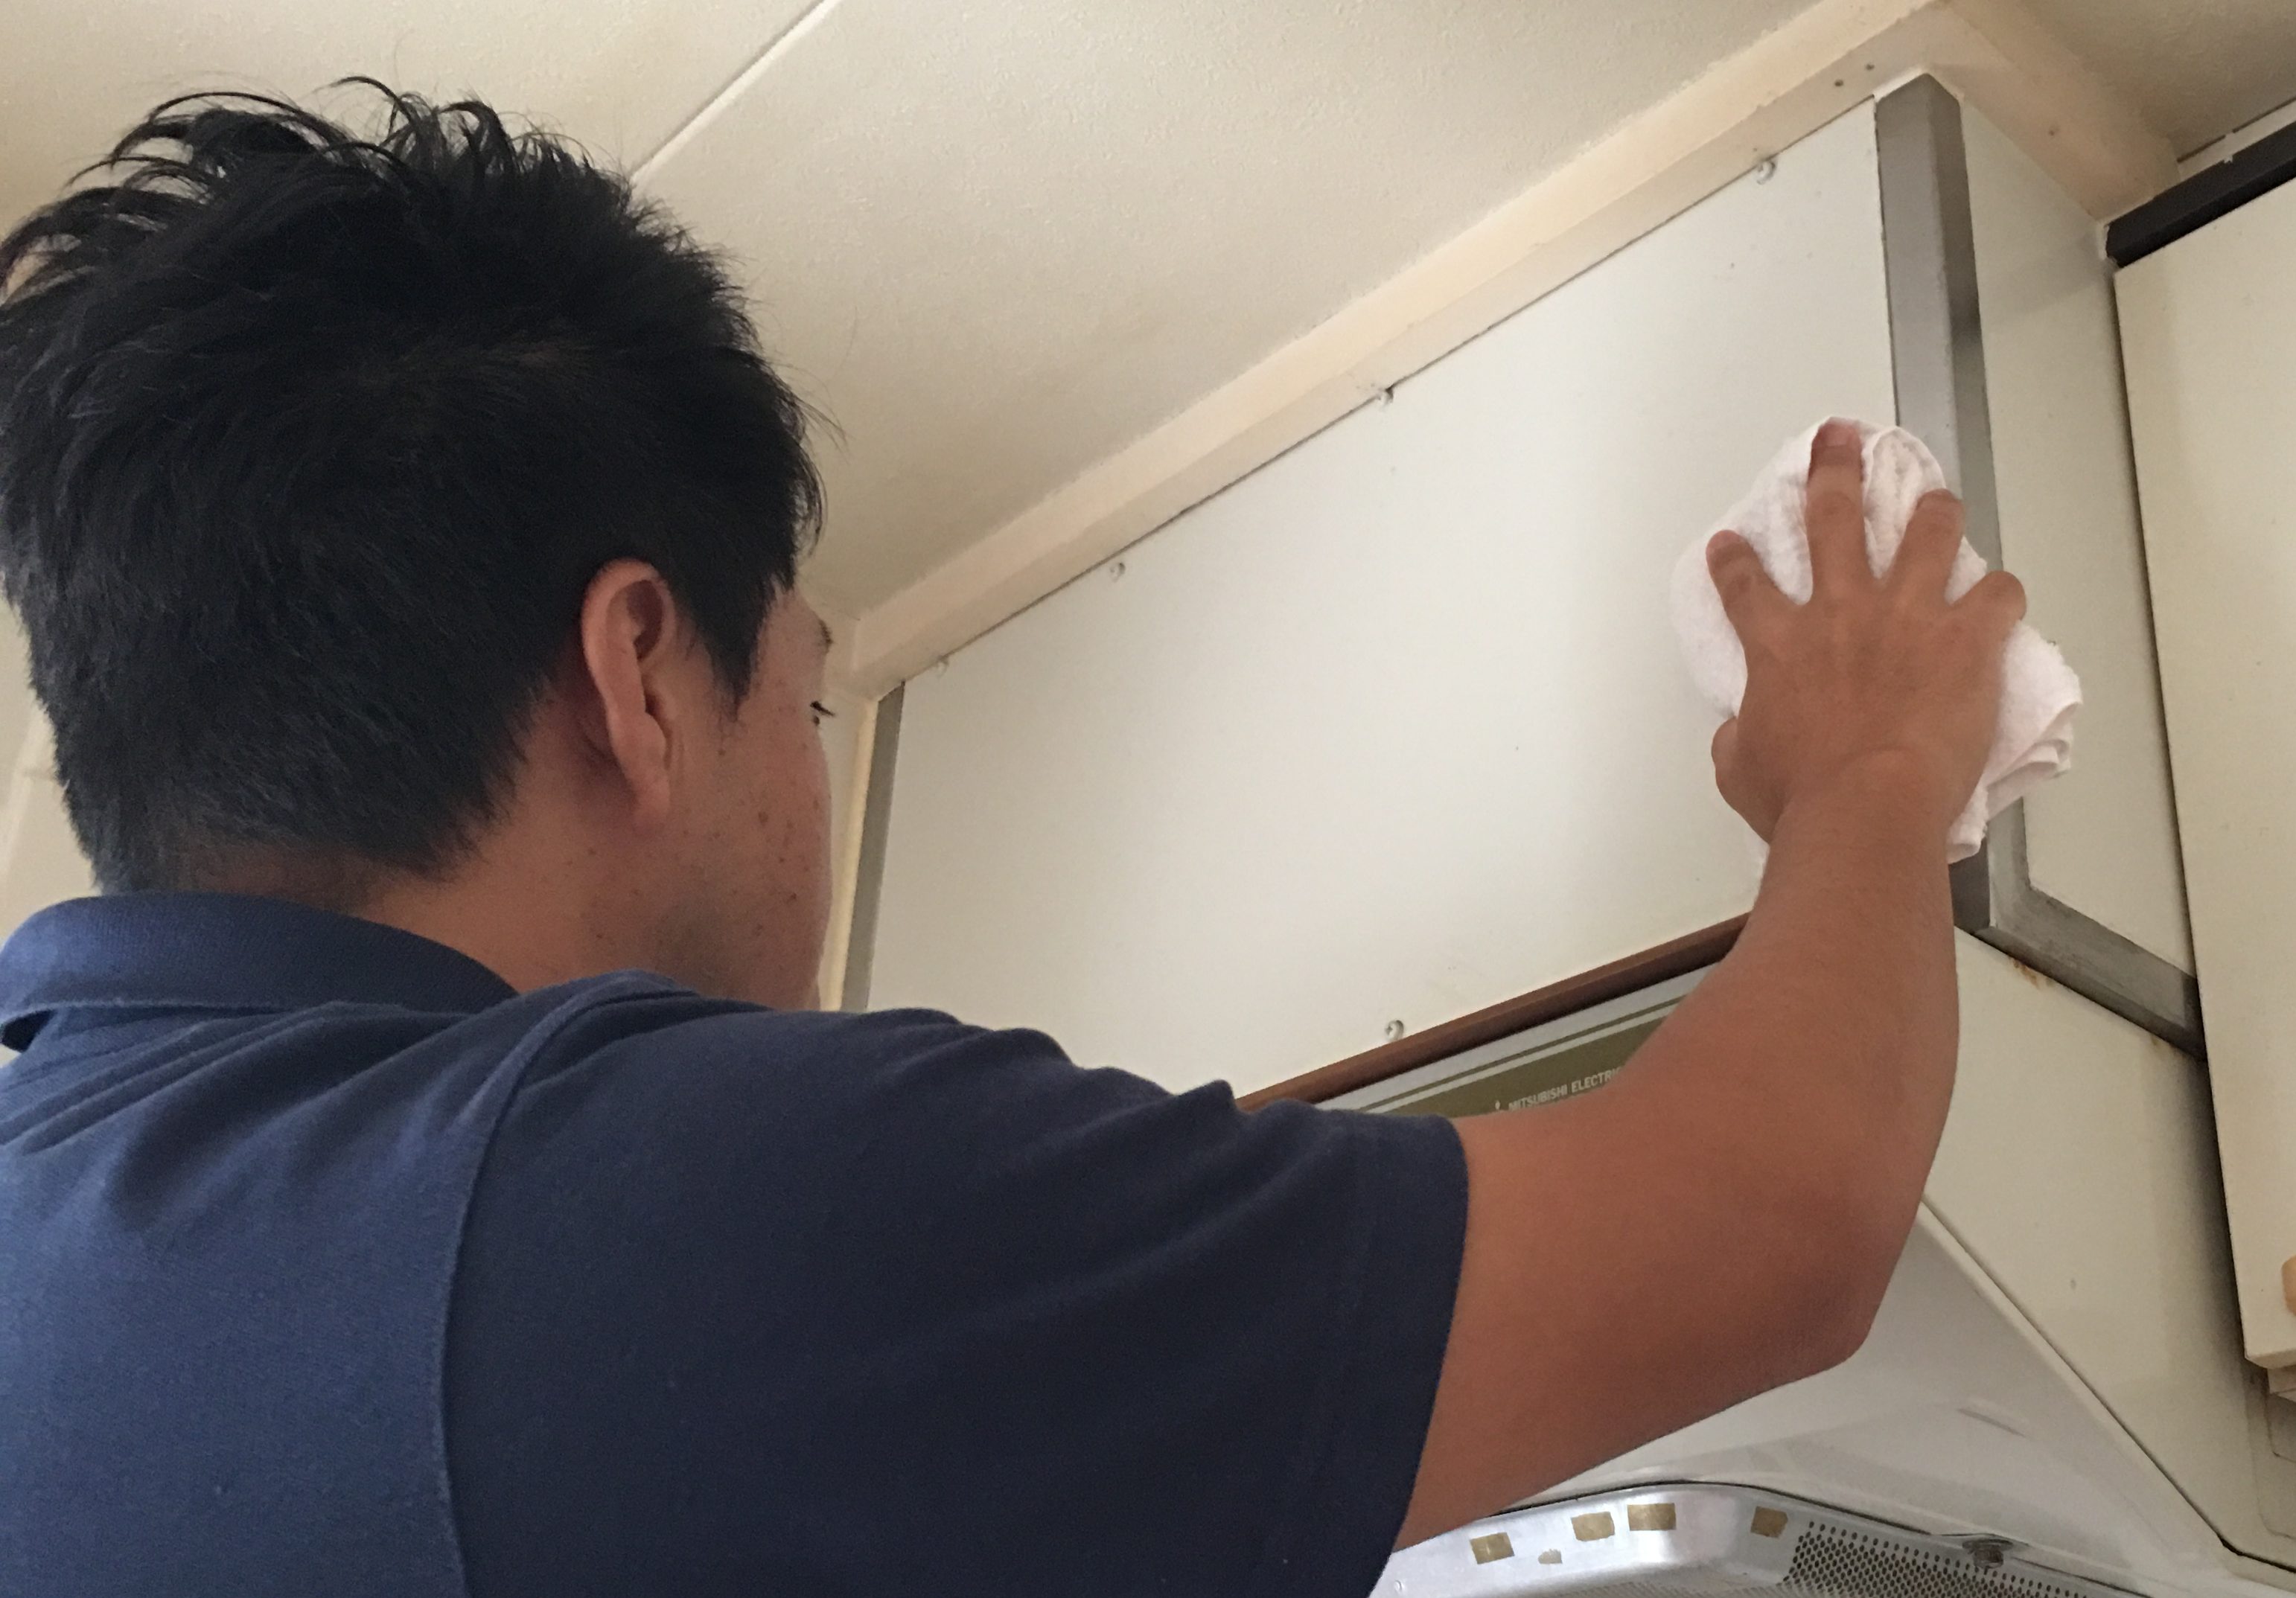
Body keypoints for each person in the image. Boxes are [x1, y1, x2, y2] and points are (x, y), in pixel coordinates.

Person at [0, 87, 2026, 1598]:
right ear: (638, 679)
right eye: (803, 703)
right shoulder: (651, 1200)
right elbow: (1767, 1222)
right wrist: (1869, 768)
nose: (807, 776)